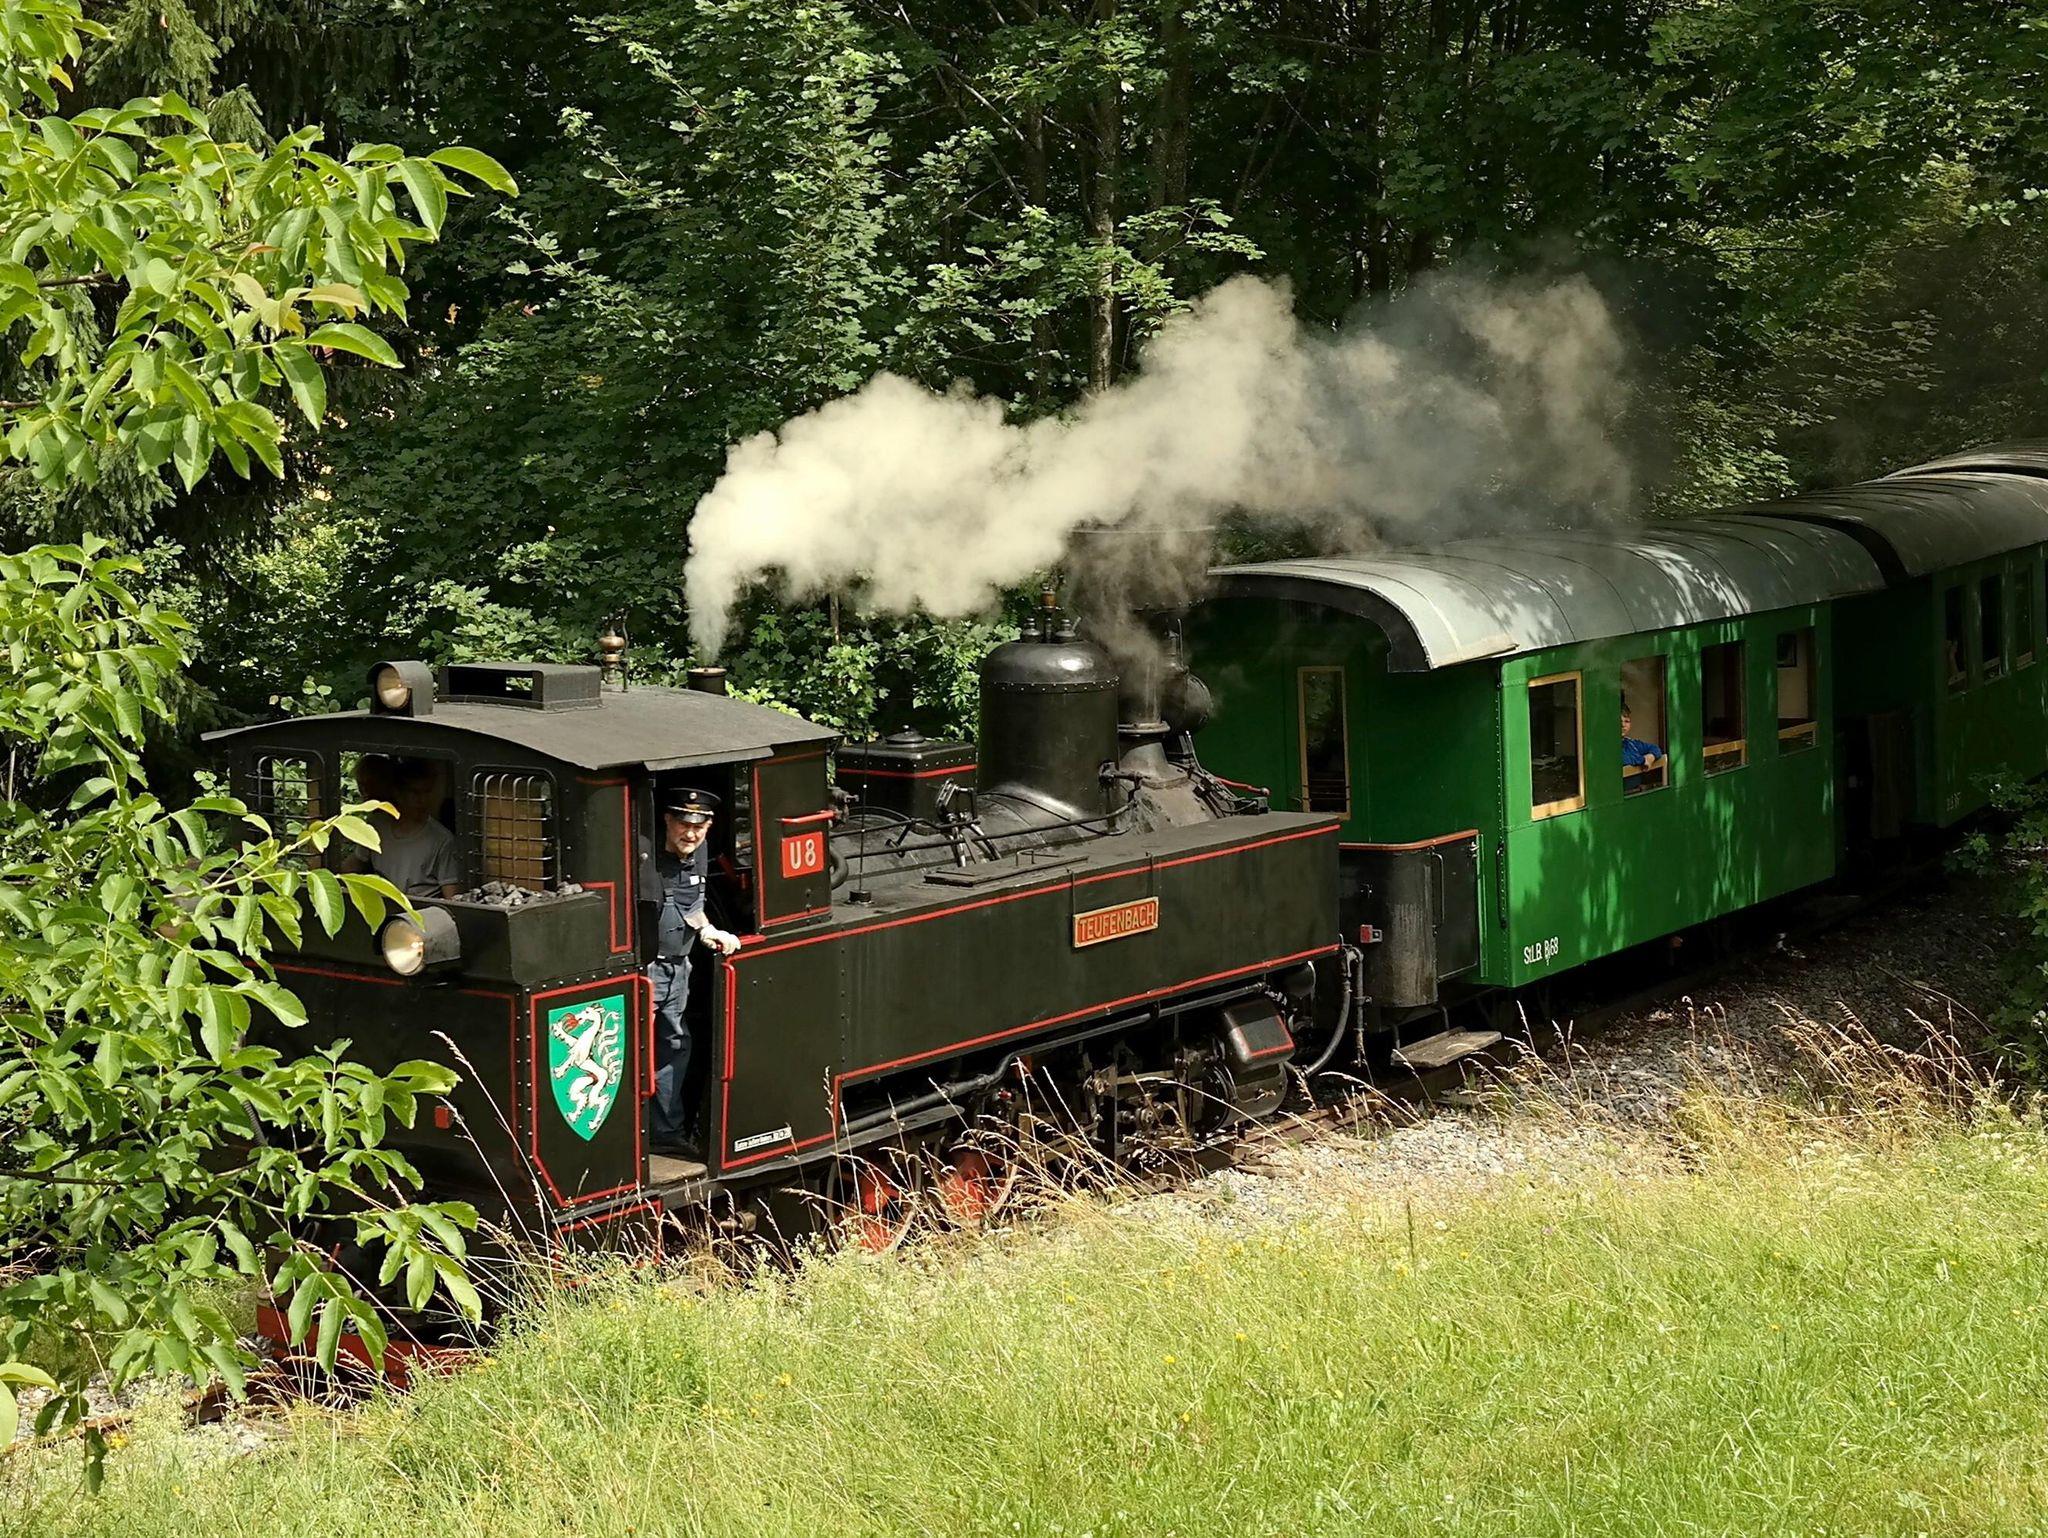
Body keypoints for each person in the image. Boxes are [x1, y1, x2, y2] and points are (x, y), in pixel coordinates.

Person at [648, 787, 742, 1156]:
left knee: (674, 1045)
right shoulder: (645, 858)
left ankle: (665, 1133)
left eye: (698, 827)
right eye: (683, 824)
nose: (690, 834)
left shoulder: (699, 853)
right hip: (645, 970)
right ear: (667, 820)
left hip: (678, 968)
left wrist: (707, 930)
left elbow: (691, 903)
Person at [370, 758, 462, 899]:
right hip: (382, 903)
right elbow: (353, 865)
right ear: (398, 793)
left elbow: (452, 897)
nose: (422, 800)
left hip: (422, 909)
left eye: (427, 792)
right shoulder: (377, 826)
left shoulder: (443, 840)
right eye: (415, 793)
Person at [1621, 704, 1666, 778]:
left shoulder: (1632, 744)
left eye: (1627, 721)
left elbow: (1655, 748)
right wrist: (1643, 760)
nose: (1623, 725)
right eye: (1619, 721)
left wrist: (1650, 757)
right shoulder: (1606, 744)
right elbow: (1624, 759)